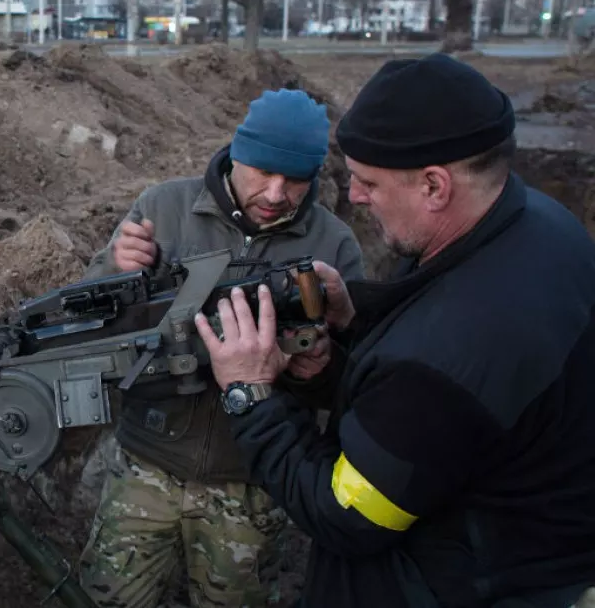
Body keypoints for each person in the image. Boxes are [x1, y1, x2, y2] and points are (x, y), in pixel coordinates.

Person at [195, 52, 595, 608]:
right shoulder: (542, 226)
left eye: (367, 183)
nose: (353, 196)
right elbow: (439, 408)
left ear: (435, 186)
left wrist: (251, 394)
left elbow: (346, 516)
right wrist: (356, 316)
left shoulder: (454, 352)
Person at [77, 88, 366, 608]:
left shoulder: (335, 246)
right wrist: (114, 270)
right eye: (262, 172)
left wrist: (314, 368)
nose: (276, 193)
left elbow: (354, 383)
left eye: (295, 179)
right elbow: (85, 318)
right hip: (146, 466)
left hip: (253, 488)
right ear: (236, 153)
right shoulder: (163, 208)